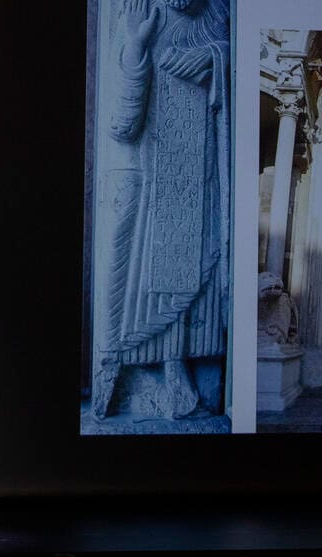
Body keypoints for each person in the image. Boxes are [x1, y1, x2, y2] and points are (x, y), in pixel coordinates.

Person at [89, 0, 231, 422]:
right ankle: (126, 372)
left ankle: (180, 367)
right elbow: (120, 122)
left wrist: (214, 58)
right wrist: (136, 48)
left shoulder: (219, 14)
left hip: (201, 179)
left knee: (199, 273)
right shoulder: (137, 10)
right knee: (133, 282)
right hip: (150, 177)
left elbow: (227, 65)